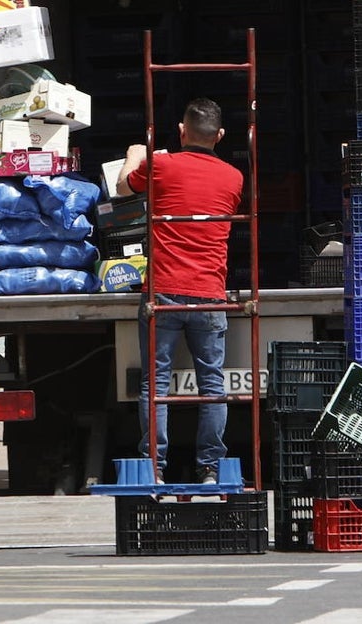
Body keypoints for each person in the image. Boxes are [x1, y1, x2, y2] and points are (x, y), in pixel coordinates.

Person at [115, 97, 244, 485]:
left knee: (154, 385)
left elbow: (123, 188)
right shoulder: (234, 177)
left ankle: (154, 467)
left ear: (182, 130)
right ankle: (209, 468)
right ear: (219, 136)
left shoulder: (160, 165)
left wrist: (134, 155)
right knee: (212, 384)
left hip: (164, 293)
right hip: (209, 292)